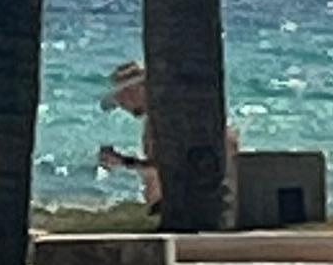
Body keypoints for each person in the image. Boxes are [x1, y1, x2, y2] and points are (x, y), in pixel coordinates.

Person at [97, 61, 239, 210]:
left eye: (124, 96)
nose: (122, 104)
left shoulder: (167, 119)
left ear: (141, 89)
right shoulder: (162, 116)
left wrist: (123, 162)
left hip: (198, 197)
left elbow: (167, 168)